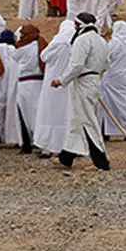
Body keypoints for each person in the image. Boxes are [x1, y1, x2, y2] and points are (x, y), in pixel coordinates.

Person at [51, 13, 110, 170]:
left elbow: (76, 65)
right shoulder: (101, 40)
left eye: (76, 25)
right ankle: (67, 157)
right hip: (93, 80)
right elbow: (106, 64)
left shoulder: (82, 40)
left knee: (88, 120)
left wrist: (61, 80)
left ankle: (101, 161)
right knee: (78, 119)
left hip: (84, 81)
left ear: (80, 25)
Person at [34, 19, 76, 157]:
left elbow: (44, 56)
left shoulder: (57, 41)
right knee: (66, 114)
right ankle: (66, 147)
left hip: (51, 83)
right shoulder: (75, 43)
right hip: (67, 83)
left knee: (49, 113)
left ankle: (47, 148)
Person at [3, 25, 46, 153]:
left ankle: (28, 143)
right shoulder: (40, 46)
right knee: (37, 113)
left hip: (26, 84)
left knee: (24, 114)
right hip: (38, 82)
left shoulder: (24, 49)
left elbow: (13, 56)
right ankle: (39, 142)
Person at [101, 21, 126, 141]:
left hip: (113, 79)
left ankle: (106, 131)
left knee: (108, 105)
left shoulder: (115, 43)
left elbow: (105, 58)